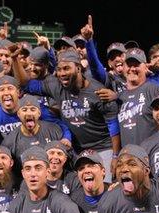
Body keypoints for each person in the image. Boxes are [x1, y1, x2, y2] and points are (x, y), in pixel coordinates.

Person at [11, 48, 120, 178]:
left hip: (102, 149)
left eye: (67, 68)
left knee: (104, 189)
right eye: (59, 69)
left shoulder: (99, 92)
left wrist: (115, 155)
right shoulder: (55, 85)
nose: (62, 73)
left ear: (78, 68)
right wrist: (14, 59)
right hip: (76, 152)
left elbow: (113, 125)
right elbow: (26, 84)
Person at [0, 76, 71, 149]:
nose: (6, 93)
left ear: (18, 93)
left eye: (10, 88)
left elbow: (60, 126)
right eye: (1, 90)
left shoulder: (33, 109)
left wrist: (66, 138)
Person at [113, 47, 159, 147]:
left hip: (153, 154)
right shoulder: (119, 98)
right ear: (123, 68)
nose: (132, 69)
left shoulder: (156, 90)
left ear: (145, 67)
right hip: (129, 158)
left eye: (136, 65)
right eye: (129, 65)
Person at [2, 95, 63, 167]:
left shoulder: (54, 130)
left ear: (39, 113)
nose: (29, 113)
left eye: (33, 109)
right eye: (24, 110)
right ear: (18, 114)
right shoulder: (10, 141)